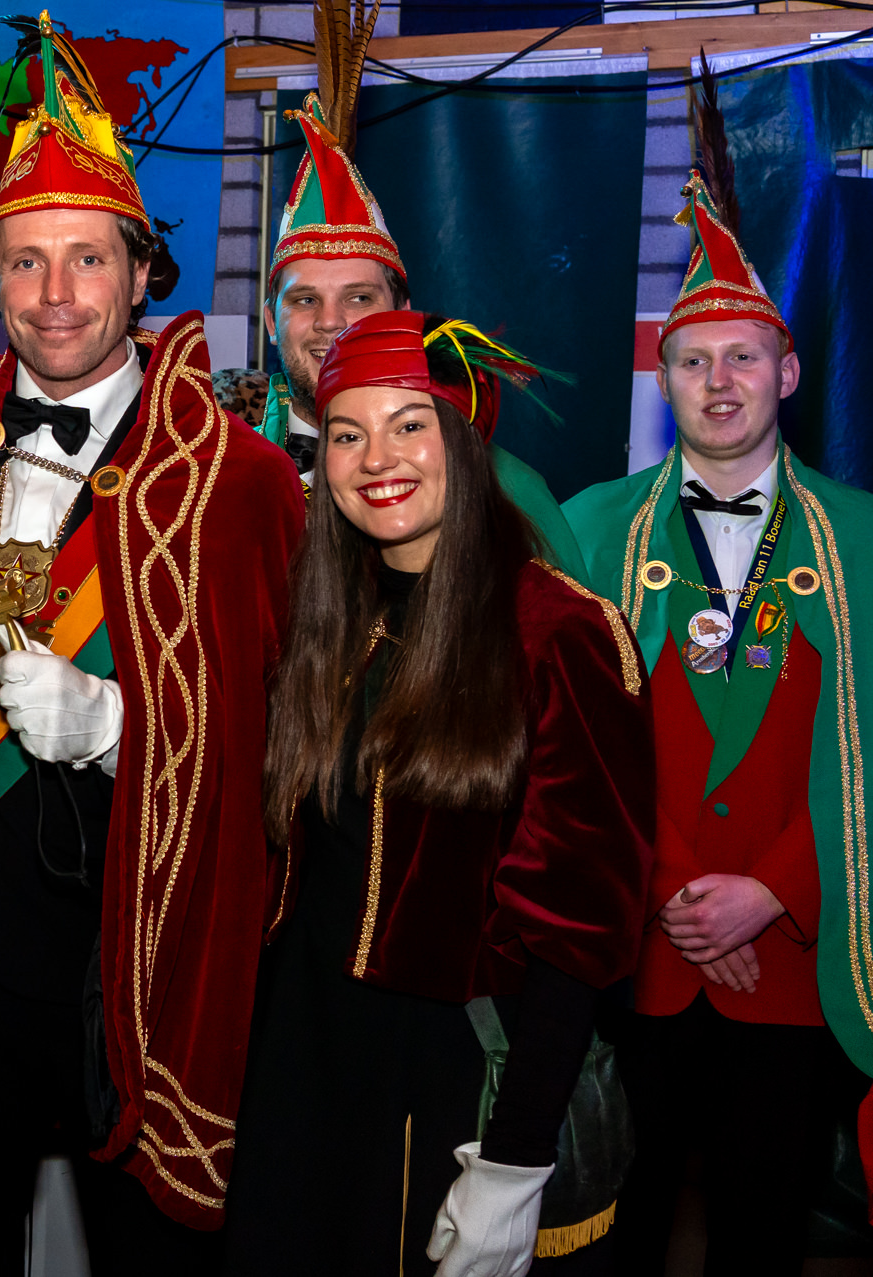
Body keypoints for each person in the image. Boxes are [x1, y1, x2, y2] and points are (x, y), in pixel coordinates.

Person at [0, 15, 301, 1271]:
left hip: (134, 952)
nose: (55, 294)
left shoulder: (237, 478)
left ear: (139, 274)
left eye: (86, 259)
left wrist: (122, 726)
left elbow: (291, 739)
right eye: (24, 262)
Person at [227, 309, 654, 1274]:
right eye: (348, 433)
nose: (377, 457)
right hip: (304, 1059)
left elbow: (579, 934)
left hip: (457, 1080)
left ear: (465, 436)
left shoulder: (561, 634)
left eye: (409, 424)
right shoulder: (321, 616)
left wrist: (513, 1162)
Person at [563, 167, 873, 1275]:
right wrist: (675, 888)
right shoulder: (591, 528)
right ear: (663, 380)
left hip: (798, 962)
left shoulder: (862, 537)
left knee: (762, 1234)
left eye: (743, 356)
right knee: (616, 1232)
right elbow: (567, 743)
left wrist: (774, 891)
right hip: (638, 954)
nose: (720, 381)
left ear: (788, 370)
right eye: (693, 361)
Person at [208, 5, 581, 571]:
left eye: (359, 298)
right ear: (270, 321)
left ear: (403, 313)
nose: (331, 321)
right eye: (305, 300)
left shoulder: (502, 488)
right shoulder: (215, 477)